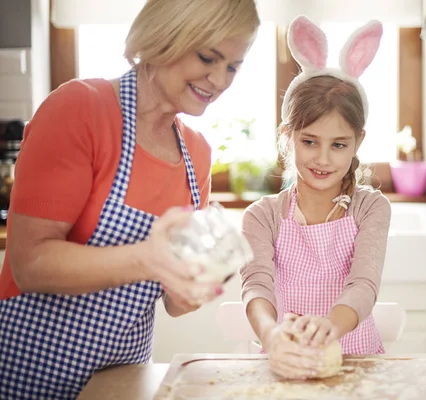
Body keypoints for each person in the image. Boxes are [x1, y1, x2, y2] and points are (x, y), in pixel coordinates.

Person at [0, 0, 260, 398]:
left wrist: (191, 285)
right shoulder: (79, 110)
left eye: (233, 67)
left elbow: (173, 304)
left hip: (118, 384)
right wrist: (147, 258)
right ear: (164, 35)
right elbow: (29, 264)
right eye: (208, 57)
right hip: (26, 379)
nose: (220, 80)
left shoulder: (198, 155)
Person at [240, 15, 390, 380]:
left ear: (358, 142)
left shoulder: (370, 207)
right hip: (284, 361)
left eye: (339, 145)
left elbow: (364, 285)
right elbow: (256, 286)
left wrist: (330, 328)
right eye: (309, 141)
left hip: (355, 365)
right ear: (287, 136)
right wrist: (271, 335)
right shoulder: (262, 216)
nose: (323, 159)